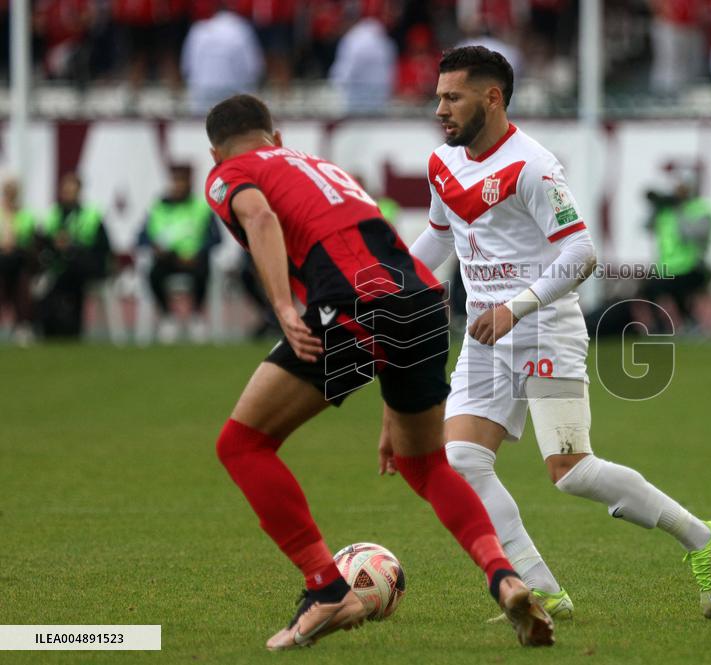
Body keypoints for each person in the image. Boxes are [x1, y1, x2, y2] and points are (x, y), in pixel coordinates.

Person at [395, 46, 711, 622]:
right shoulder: (442, 165)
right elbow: (439, 237)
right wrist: (392, 285)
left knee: (571, 471)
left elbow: (582, 253)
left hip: (545, 331)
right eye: (438, 97)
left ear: (492, 98)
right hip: (486, 338)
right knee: (460, 460)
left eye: (452, 97)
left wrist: (517, 308)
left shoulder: (532, 166)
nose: (440, 110)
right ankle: (541, 589)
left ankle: (702, 538)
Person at [202, 94, 553, 651]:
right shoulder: (320, 169)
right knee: (427, 465)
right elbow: (385, 261)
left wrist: (282, 309)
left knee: (242, 445)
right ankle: (504, 576)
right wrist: (395, 405)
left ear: (215, 149)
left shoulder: (229, 173)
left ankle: (324, 588)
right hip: (420, 302)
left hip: (350, 306)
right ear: (275, 134)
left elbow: (260, 217)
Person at [138, 164, 220, 344]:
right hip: (167, 258)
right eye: (175, 181)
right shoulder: (157, 207)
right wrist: (154, 246)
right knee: (153, 273)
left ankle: (196, 315)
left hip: (193, 258)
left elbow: (216, 238)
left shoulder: (200, 207)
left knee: (203, 269)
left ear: (189, 183)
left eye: (181, 181)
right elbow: (141, 237)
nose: (177, 185)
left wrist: (198, 252)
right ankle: (168, 316)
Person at [34, 172, 110, 338]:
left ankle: (66, 326)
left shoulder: (91, 215)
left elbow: (103, 247)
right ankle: (54, 327)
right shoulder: (53, 214)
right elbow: (43, 241)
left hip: (86, 265)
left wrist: (72, 245)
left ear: (79, 191)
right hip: (61, 267)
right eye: (66, 190)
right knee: (58, 277)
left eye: (72, 190)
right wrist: (56, 243)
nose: (68, 193)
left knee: (74, 267)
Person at [644, 175, 711, 333]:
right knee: (649, 291)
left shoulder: (697, 209)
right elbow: (646, 227)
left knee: (679, 292)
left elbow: (693, 234)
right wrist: (656, 206)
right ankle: (663, 325)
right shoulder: (665, 212)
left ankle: (690, 322)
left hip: (691, 266)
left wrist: (679, 210)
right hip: (666, 267)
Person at [181, 3, 264, 113]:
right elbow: (254, 68)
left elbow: (186, 67)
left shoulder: (198, 30)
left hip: (202, 91)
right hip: (233, 92)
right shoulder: (242, 29)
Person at [0, 179, 36, 344]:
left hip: (19, 261)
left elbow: (29, 241)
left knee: (22, 282)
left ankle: (22, 325)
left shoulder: (26, 215)